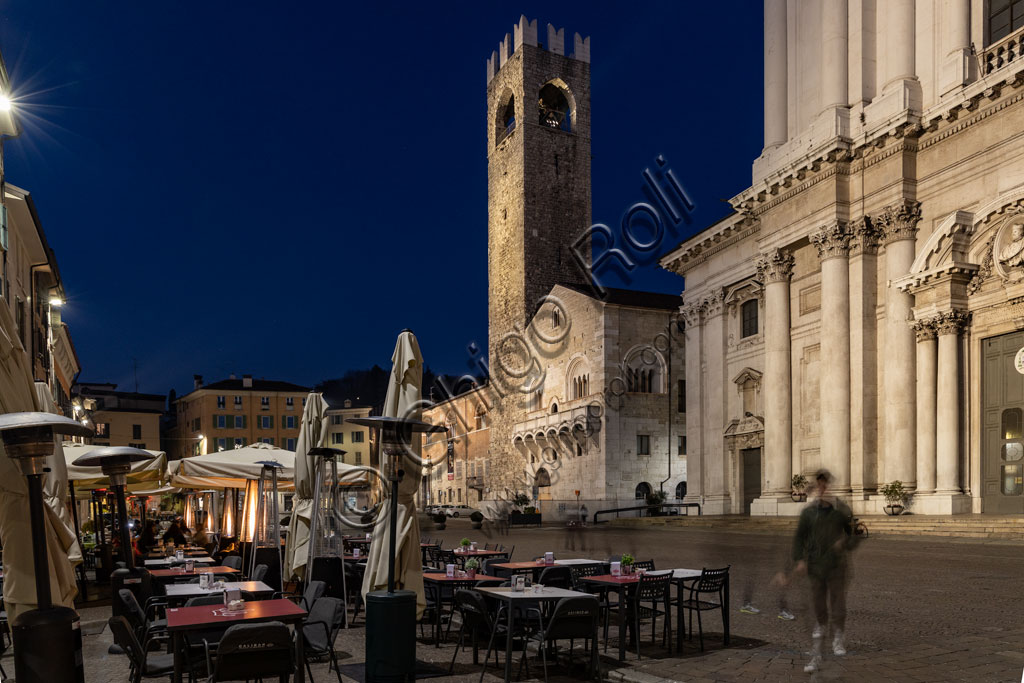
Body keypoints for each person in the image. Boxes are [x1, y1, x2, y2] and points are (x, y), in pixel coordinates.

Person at [791, 469, 858, 673]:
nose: (822, 489)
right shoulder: (808, 513)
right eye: (819, 485)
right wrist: (799, 560)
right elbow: (799, 538)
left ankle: (838, 637)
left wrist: (845, 543)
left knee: (838, 604)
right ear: (816, 488)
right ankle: (820, 636)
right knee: (819, 604)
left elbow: (856, 532)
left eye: (825, 485)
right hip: (815, 566)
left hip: (837, 566)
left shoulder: (841, 511)